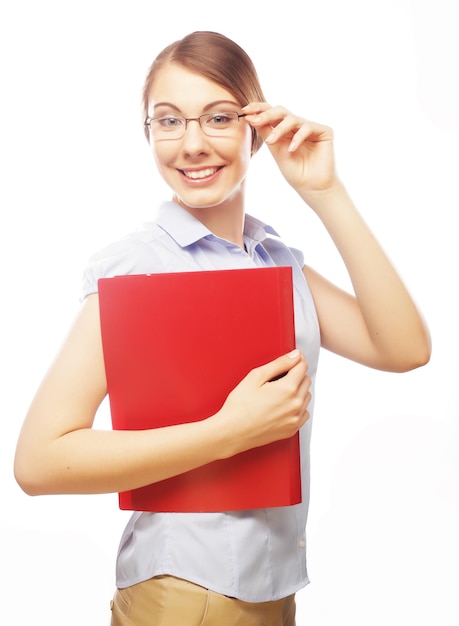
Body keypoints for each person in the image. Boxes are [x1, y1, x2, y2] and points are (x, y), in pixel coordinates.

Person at [14, 31, 431, 626]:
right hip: (184, 593)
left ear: (255, 129)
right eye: (167, 121)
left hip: (276, 593)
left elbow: (405, 349)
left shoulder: (276, 261)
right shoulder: (139, 265)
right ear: (148, 133)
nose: (190, 144)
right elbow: (40, 461)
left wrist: (325, 192)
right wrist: (227, 432)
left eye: (217, 117)